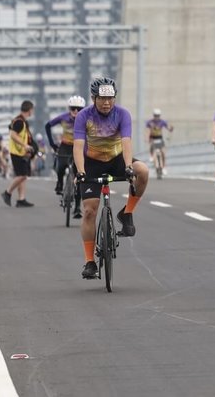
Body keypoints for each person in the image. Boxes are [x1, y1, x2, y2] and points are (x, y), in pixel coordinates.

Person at [73, 77, 149, 280]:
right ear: (93, 98)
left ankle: (127, 213)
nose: (106, 103)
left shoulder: (122, 114)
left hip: (116, 158)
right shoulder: (84, 116)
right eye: (102, 98)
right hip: (92, 163)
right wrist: (80, 171)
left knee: (143, 171)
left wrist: (128, 167)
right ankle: (90, 262)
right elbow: (78, 146)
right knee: (89, 211)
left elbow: (126, 141)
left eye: (110, 98)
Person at [45, 95, 86, 218]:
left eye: (79, 109)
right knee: (61, 166)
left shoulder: (86, 119)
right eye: (73, 108)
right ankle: (59, 183)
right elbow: (48, 125)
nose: (75, 111)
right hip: (65, 146)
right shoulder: (63, 117)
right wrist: (52, 143)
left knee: (79, 176)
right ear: (69, 109)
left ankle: (78, 207)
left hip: (79, 147)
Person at [1, 100, 36, 207]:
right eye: (32, 110)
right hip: (17, 152)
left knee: (22, 175)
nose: (32, 112)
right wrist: (24, 145)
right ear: (29, 110)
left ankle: (21, 199)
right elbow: (13, 134)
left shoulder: (19, 120)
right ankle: (7, 192)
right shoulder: (19, 121)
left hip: (20, 152)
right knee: (23, 175)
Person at [146, 108, 174, 174]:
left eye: (158, 115)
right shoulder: (150, 122)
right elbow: (147, 131)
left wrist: (171, 129)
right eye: (155, 115)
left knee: (163, 153)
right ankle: (151, 156)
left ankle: (164, 167)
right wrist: (147, 138)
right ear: (153, 115)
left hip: (160, 138)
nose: (157, 117)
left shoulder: (162, 122)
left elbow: (169, 129)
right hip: (153, 138)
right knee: (152, 146)